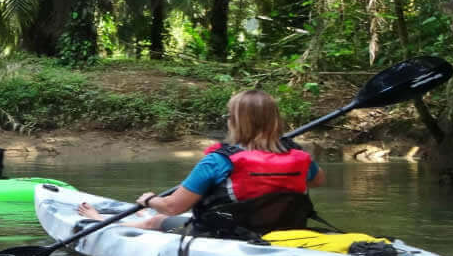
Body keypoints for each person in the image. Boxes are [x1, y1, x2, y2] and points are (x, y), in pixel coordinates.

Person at [79, 89, 324, 234]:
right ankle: (142, 212)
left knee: (157, 217)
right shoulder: (298, 157)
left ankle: (100, 220)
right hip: (284, 233)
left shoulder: (219, 161)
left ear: (235, 122)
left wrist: (149, 199)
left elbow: (174, 207)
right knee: (158, 212)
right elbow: (316, 182)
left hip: (227, 235)